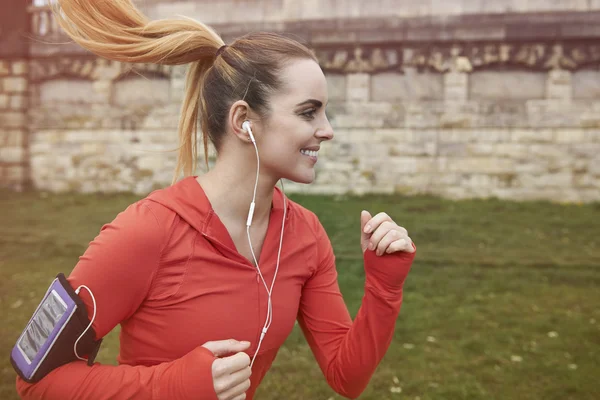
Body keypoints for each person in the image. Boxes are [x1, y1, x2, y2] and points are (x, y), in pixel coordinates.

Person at [15, 0, 416, 399]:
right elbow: (35, 381)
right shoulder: (146, 231)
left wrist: (385, 285)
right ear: (244, 121)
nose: (327, 130)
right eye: (309, 113)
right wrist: (176, 385)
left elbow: (347, 377)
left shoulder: (305, 234)